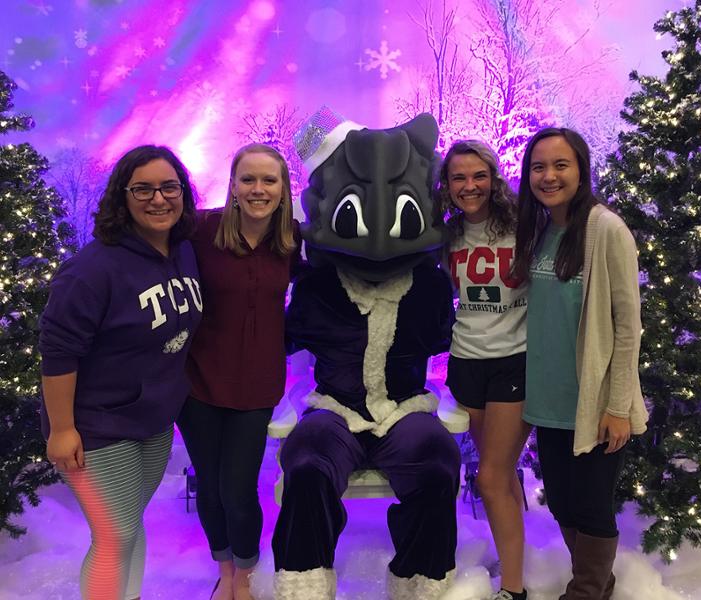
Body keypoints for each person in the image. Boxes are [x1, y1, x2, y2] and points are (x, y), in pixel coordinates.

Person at [271, 107, 459, 600]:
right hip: (336, 409)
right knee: (306, 461)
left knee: (438, 463)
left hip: (405, 409)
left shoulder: (429, 288)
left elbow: (451, 340)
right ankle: (305, 578)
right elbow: (285, 339)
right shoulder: (318, 287)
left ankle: (420, 578)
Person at [39, 145, 203, 600]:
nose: (158, 199)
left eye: (169, 187)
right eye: (143, 189)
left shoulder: (184, 251)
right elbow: (57, 351)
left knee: (128, 526)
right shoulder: (93, 269)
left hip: (152, 421)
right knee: (115, 534)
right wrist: (62, 428)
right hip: (95, 427)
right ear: (122, 197)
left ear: (183, 193)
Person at [513, 127, 648, 600]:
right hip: (548, 398)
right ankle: (596, 581)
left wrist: (617, 406)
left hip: (592, 400)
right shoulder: (540, 229)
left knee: (590, 506)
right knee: (563, 502)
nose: (548, 176)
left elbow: (628, 326)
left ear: (582, 169)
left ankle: (587, 589)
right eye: (538, 167)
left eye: (560, 165)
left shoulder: (605, 228)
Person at [177, 143, 300, 600]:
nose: (258, 189)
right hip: (198, 381)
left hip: (258, 383)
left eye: (269, 180)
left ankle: (246, 571)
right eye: (248, 179)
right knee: (209, 485)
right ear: (232, 185)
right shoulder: (199, 230)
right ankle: (225, 570)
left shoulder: (291, 240)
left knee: (239, 489)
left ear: (284, 188)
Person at [434, 140, 530, 600]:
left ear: (493, 178)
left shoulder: (524, 228)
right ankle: (512, 555)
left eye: (478, 176)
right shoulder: (447, 235)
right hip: (466, 361)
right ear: (447, 185)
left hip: (515, 360)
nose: (469, 186)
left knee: (490, 476)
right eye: (458, 178)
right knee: (503, 474)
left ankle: (514, 588)